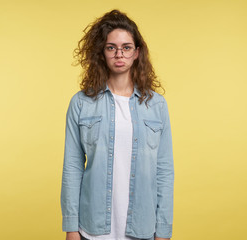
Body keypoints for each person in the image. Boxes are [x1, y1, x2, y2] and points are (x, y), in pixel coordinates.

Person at [61, 9, 174, 240]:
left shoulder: (157, 106)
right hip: (92, 230)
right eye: (111, 47)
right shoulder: (81, 103)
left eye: (126, 47)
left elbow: (164, 171)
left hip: (142, 229)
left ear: (137, 53)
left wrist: (163, 229)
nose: (119, 54)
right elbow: (72, 168)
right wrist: (71, 228)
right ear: (102, 53)